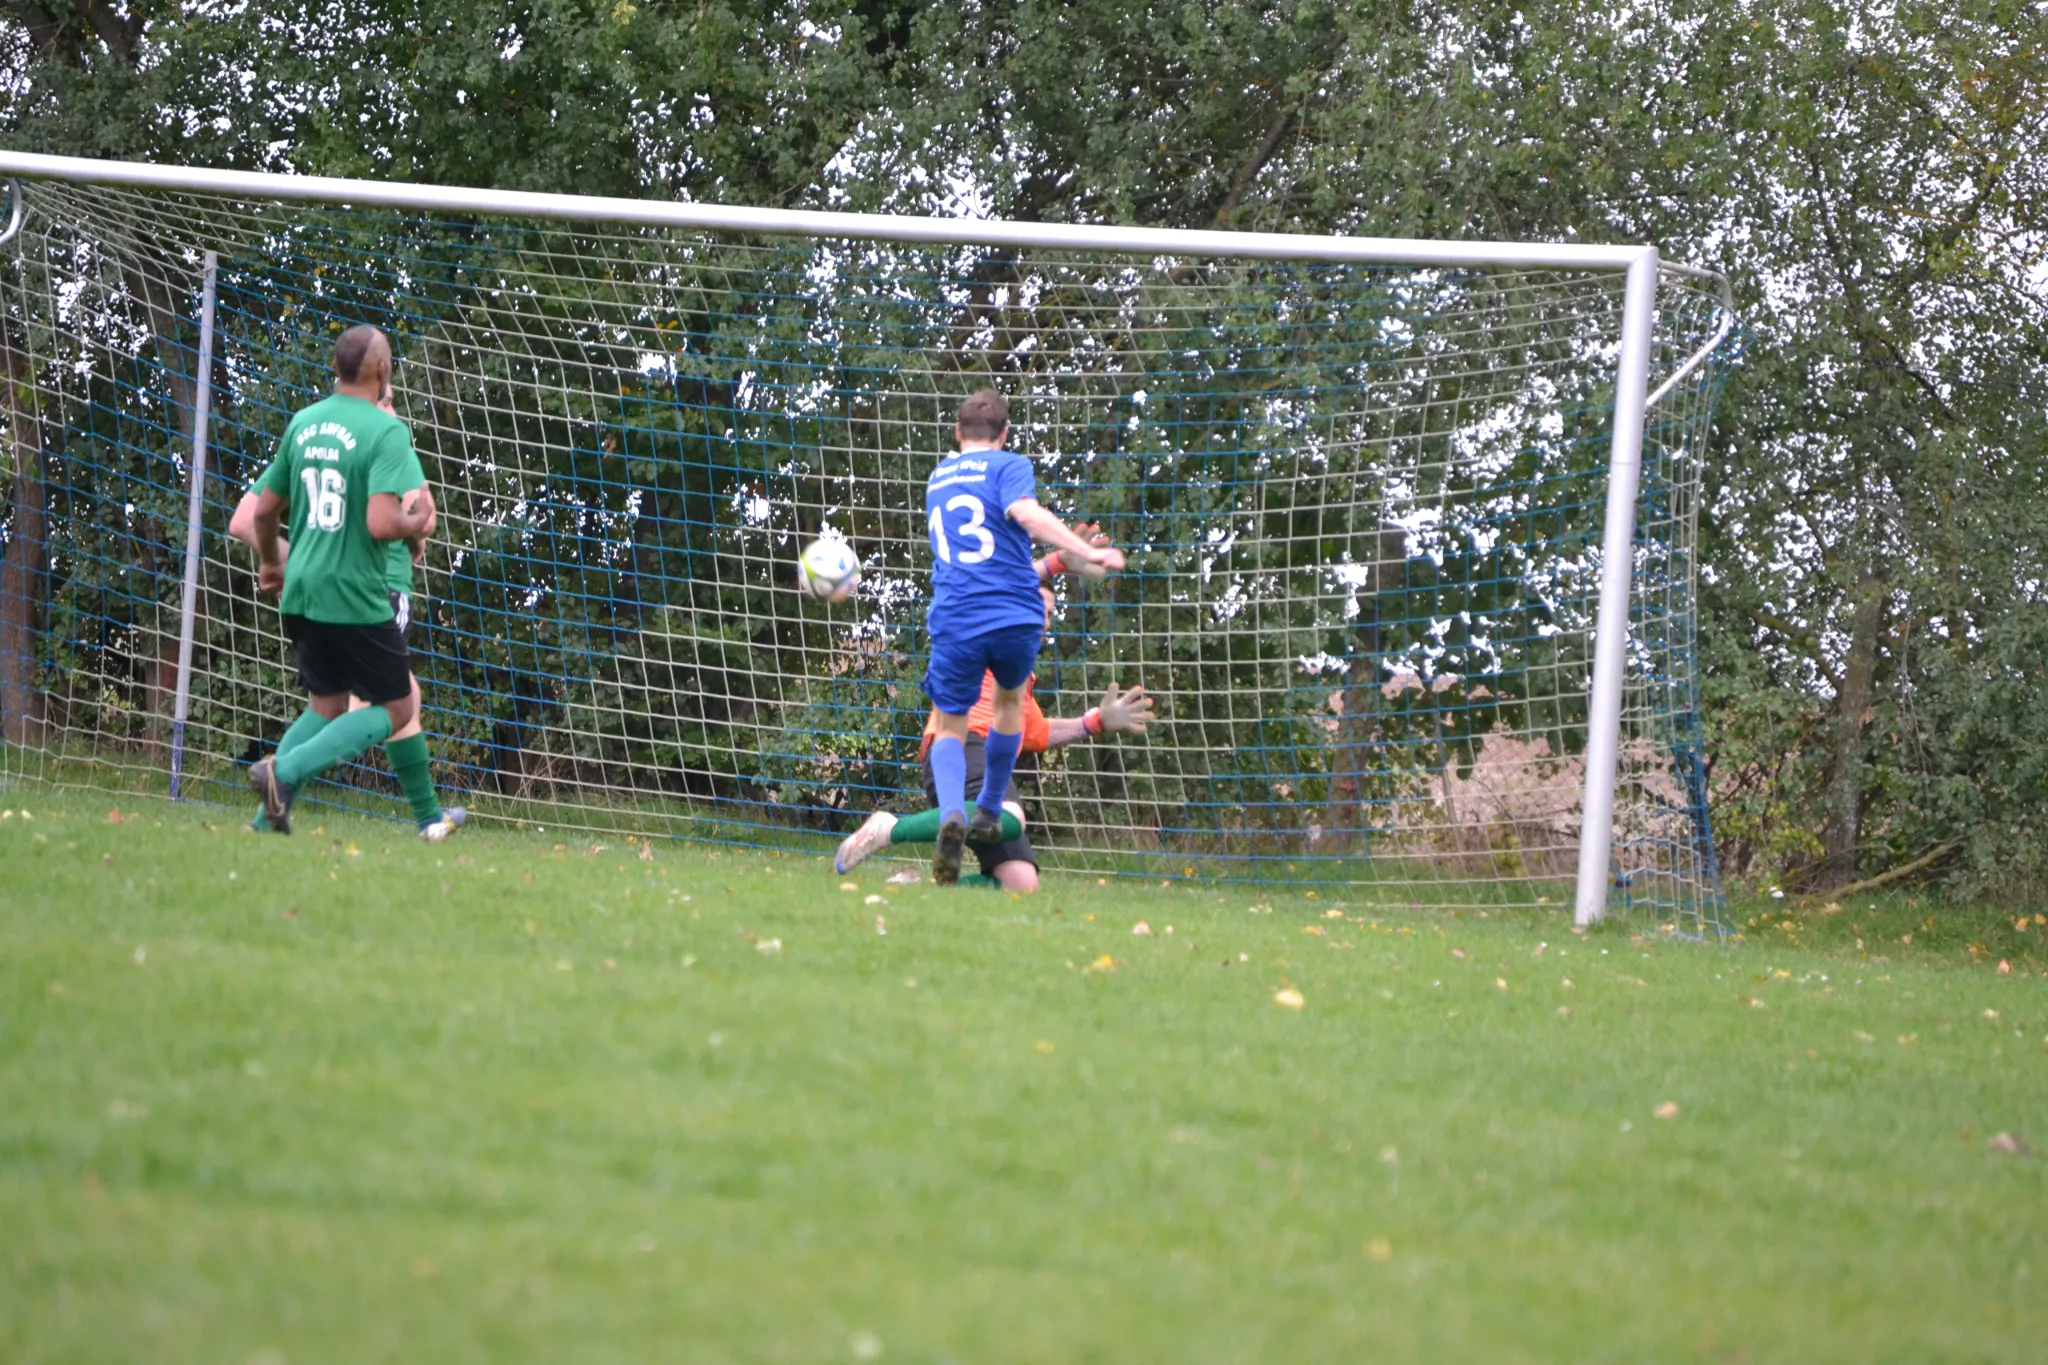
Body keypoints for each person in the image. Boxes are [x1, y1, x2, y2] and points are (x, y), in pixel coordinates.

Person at [228, 397, 464, 839]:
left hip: (313, 595)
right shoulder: (387, 438)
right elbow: (424, 519)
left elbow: (245, 520)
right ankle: (287, 773)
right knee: (396, 702)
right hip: (375, 591)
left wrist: (291, 562)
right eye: (388, 396)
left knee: (330, 704)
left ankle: (264, 824)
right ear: (377, 380)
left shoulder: (311, 435)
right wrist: (416, 521)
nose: (391, 404)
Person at [922, 388, 1123, 884]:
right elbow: (1027, 515)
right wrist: (1085, 552)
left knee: (949, 725)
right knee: (1010, 704)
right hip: (1014, 617)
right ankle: (989, 807)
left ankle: (953, 812)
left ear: (957, 432)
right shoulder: (1009, 465)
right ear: (1005, 434)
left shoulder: (938, 477)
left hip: (956, 617)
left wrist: (1057, 561)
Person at [834, 586, 1155, 890]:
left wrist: (1095, 722)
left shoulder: (1020, 675)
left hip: (981, 757)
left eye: (1048, 613)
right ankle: (890, 829)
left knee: (1020, 883)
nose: (1044, 621)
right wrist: (1055, 561)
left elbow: (1038, 734)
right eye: (1036, 609)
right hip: (962, 745)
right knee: (1011, 814)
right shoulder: (988, 632)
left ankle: (911, 891)